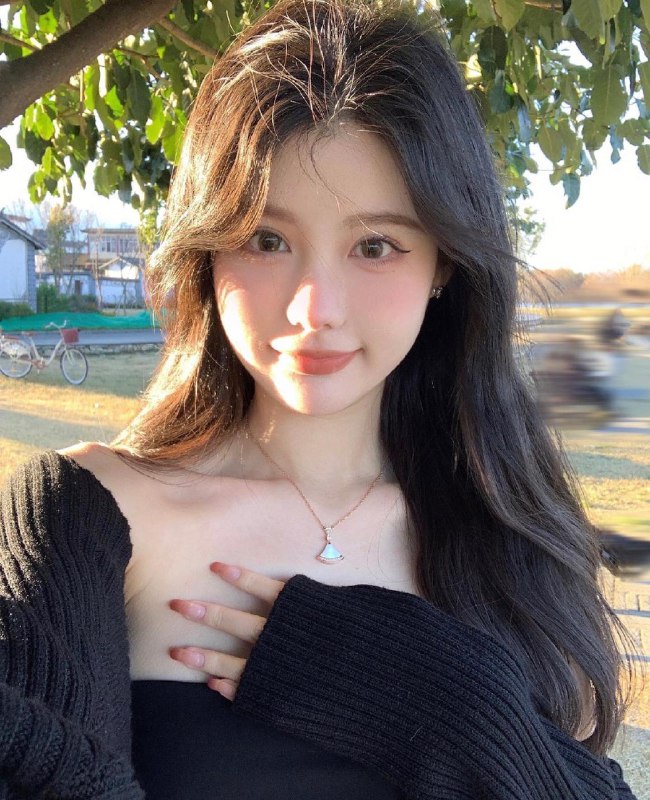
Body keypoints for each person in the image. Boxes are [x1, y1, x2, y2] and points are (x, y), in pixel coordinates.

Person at [0, 0, 641, 797]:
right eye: (266, 240)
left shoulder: (511, 535)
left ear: (443, 263)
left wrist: (462, 713)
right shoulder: (89, 517)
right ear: (208, 248)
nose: (315, 308)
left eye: (375, 246)